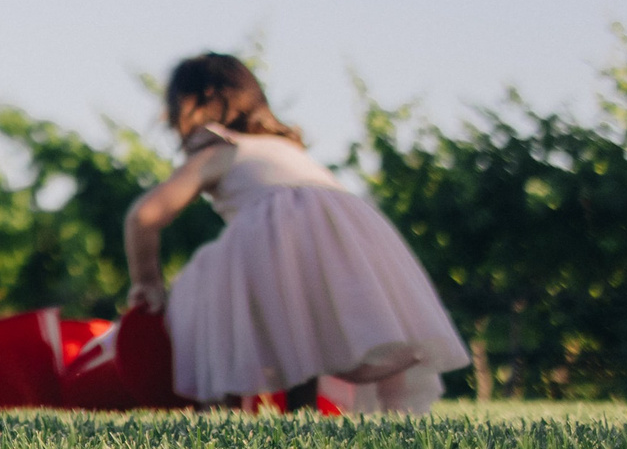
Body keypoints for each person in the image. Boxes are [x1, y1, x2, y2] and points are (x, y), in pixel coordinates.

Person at [123, 53, 468, 414]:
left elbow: (143, 216)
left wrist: (148, 282)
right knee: (301, 319)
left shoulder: (218, 150)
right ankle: (302, 409)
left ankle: (222, 403)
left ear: (198, 101)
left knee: (205, 285)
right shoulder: (287, 149)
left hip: (279, 237)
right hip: (346, 237)